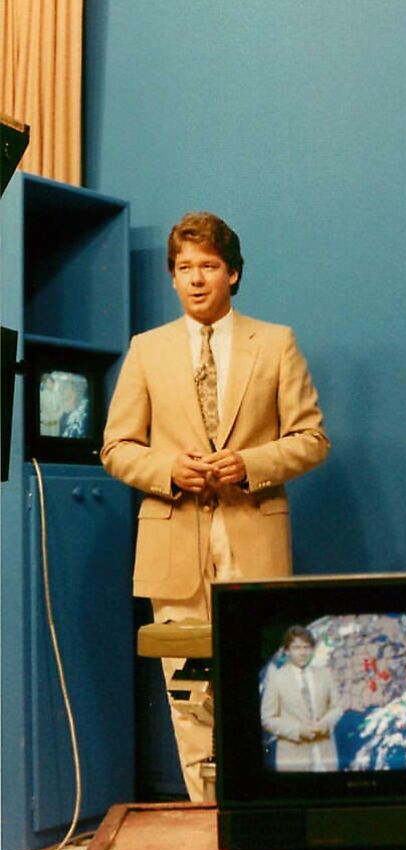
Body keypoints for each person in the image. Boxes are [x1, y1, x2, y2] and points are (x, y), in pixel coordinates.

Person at [101, 211, 330, 799]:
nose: (196, 278)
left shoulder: (275, 343)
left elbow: (312, 439)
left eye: (208, 265)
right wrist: (167, 470)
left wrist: (250, 464)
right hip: (174, 550)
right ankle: (207, 824)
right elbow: (116, 448)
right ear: (172, 277)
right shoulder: (146, 350)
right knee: (188, 698)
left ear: (233, 273)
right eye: (184, 268)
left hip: (253, 542)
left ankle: (260, 820)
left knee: (263, 688)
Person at [261, 626, 342, 771]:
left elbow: (337, 707)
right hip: (293, 761)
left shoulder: (325, 674)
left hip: (326, 758)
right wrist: (298, 730)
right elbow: (267, 718)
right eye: (297, 648)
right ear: (287, 651)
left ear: (312, 650)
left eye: (306, 647)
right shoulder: (276, 679)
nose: (302, 653)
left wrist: (326, 723)